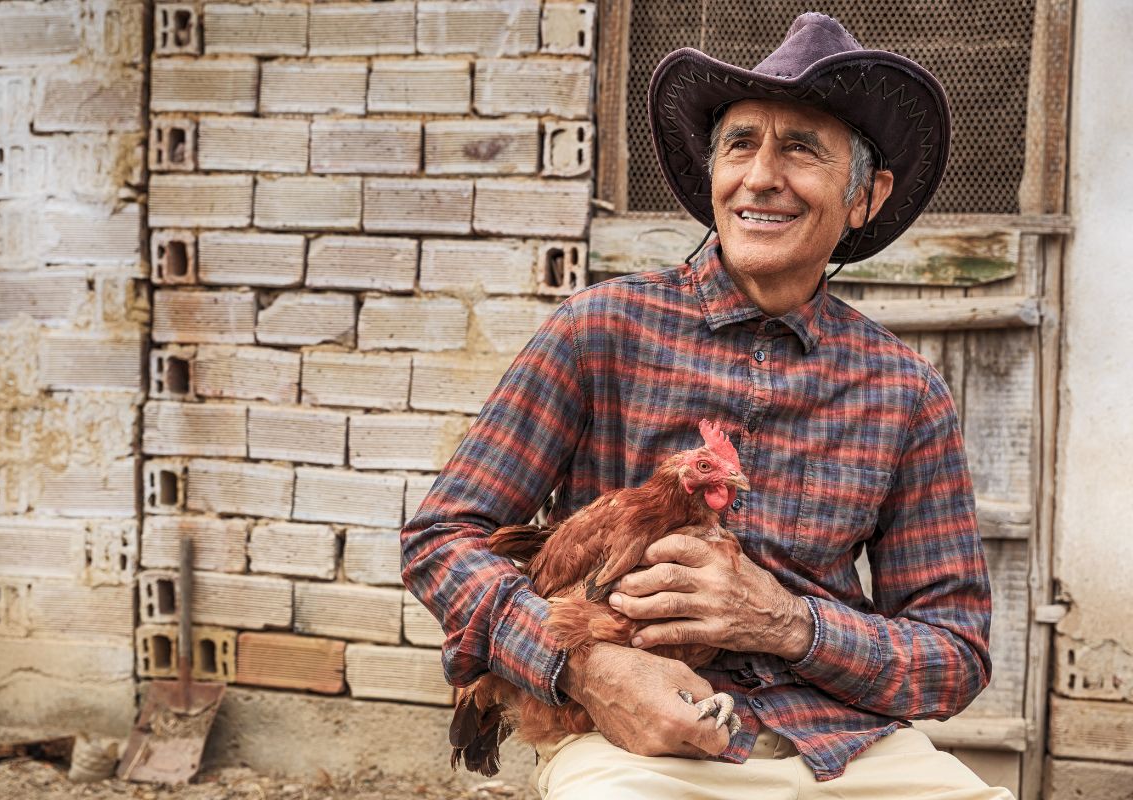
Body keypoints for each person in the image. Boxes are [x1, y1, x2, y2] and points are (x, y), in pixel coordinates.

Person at [402, 12, 1011, 799]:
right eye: (740, 144)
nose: (761, 175)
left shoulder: (904, 391)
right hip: (634, 740)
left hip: (844, 743)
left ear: (866, 197)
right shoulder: (600, 330)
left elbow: (955, 655)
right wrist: (583, 664)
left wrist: (789, 623)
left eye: (800, 147)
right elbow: (440, 539)